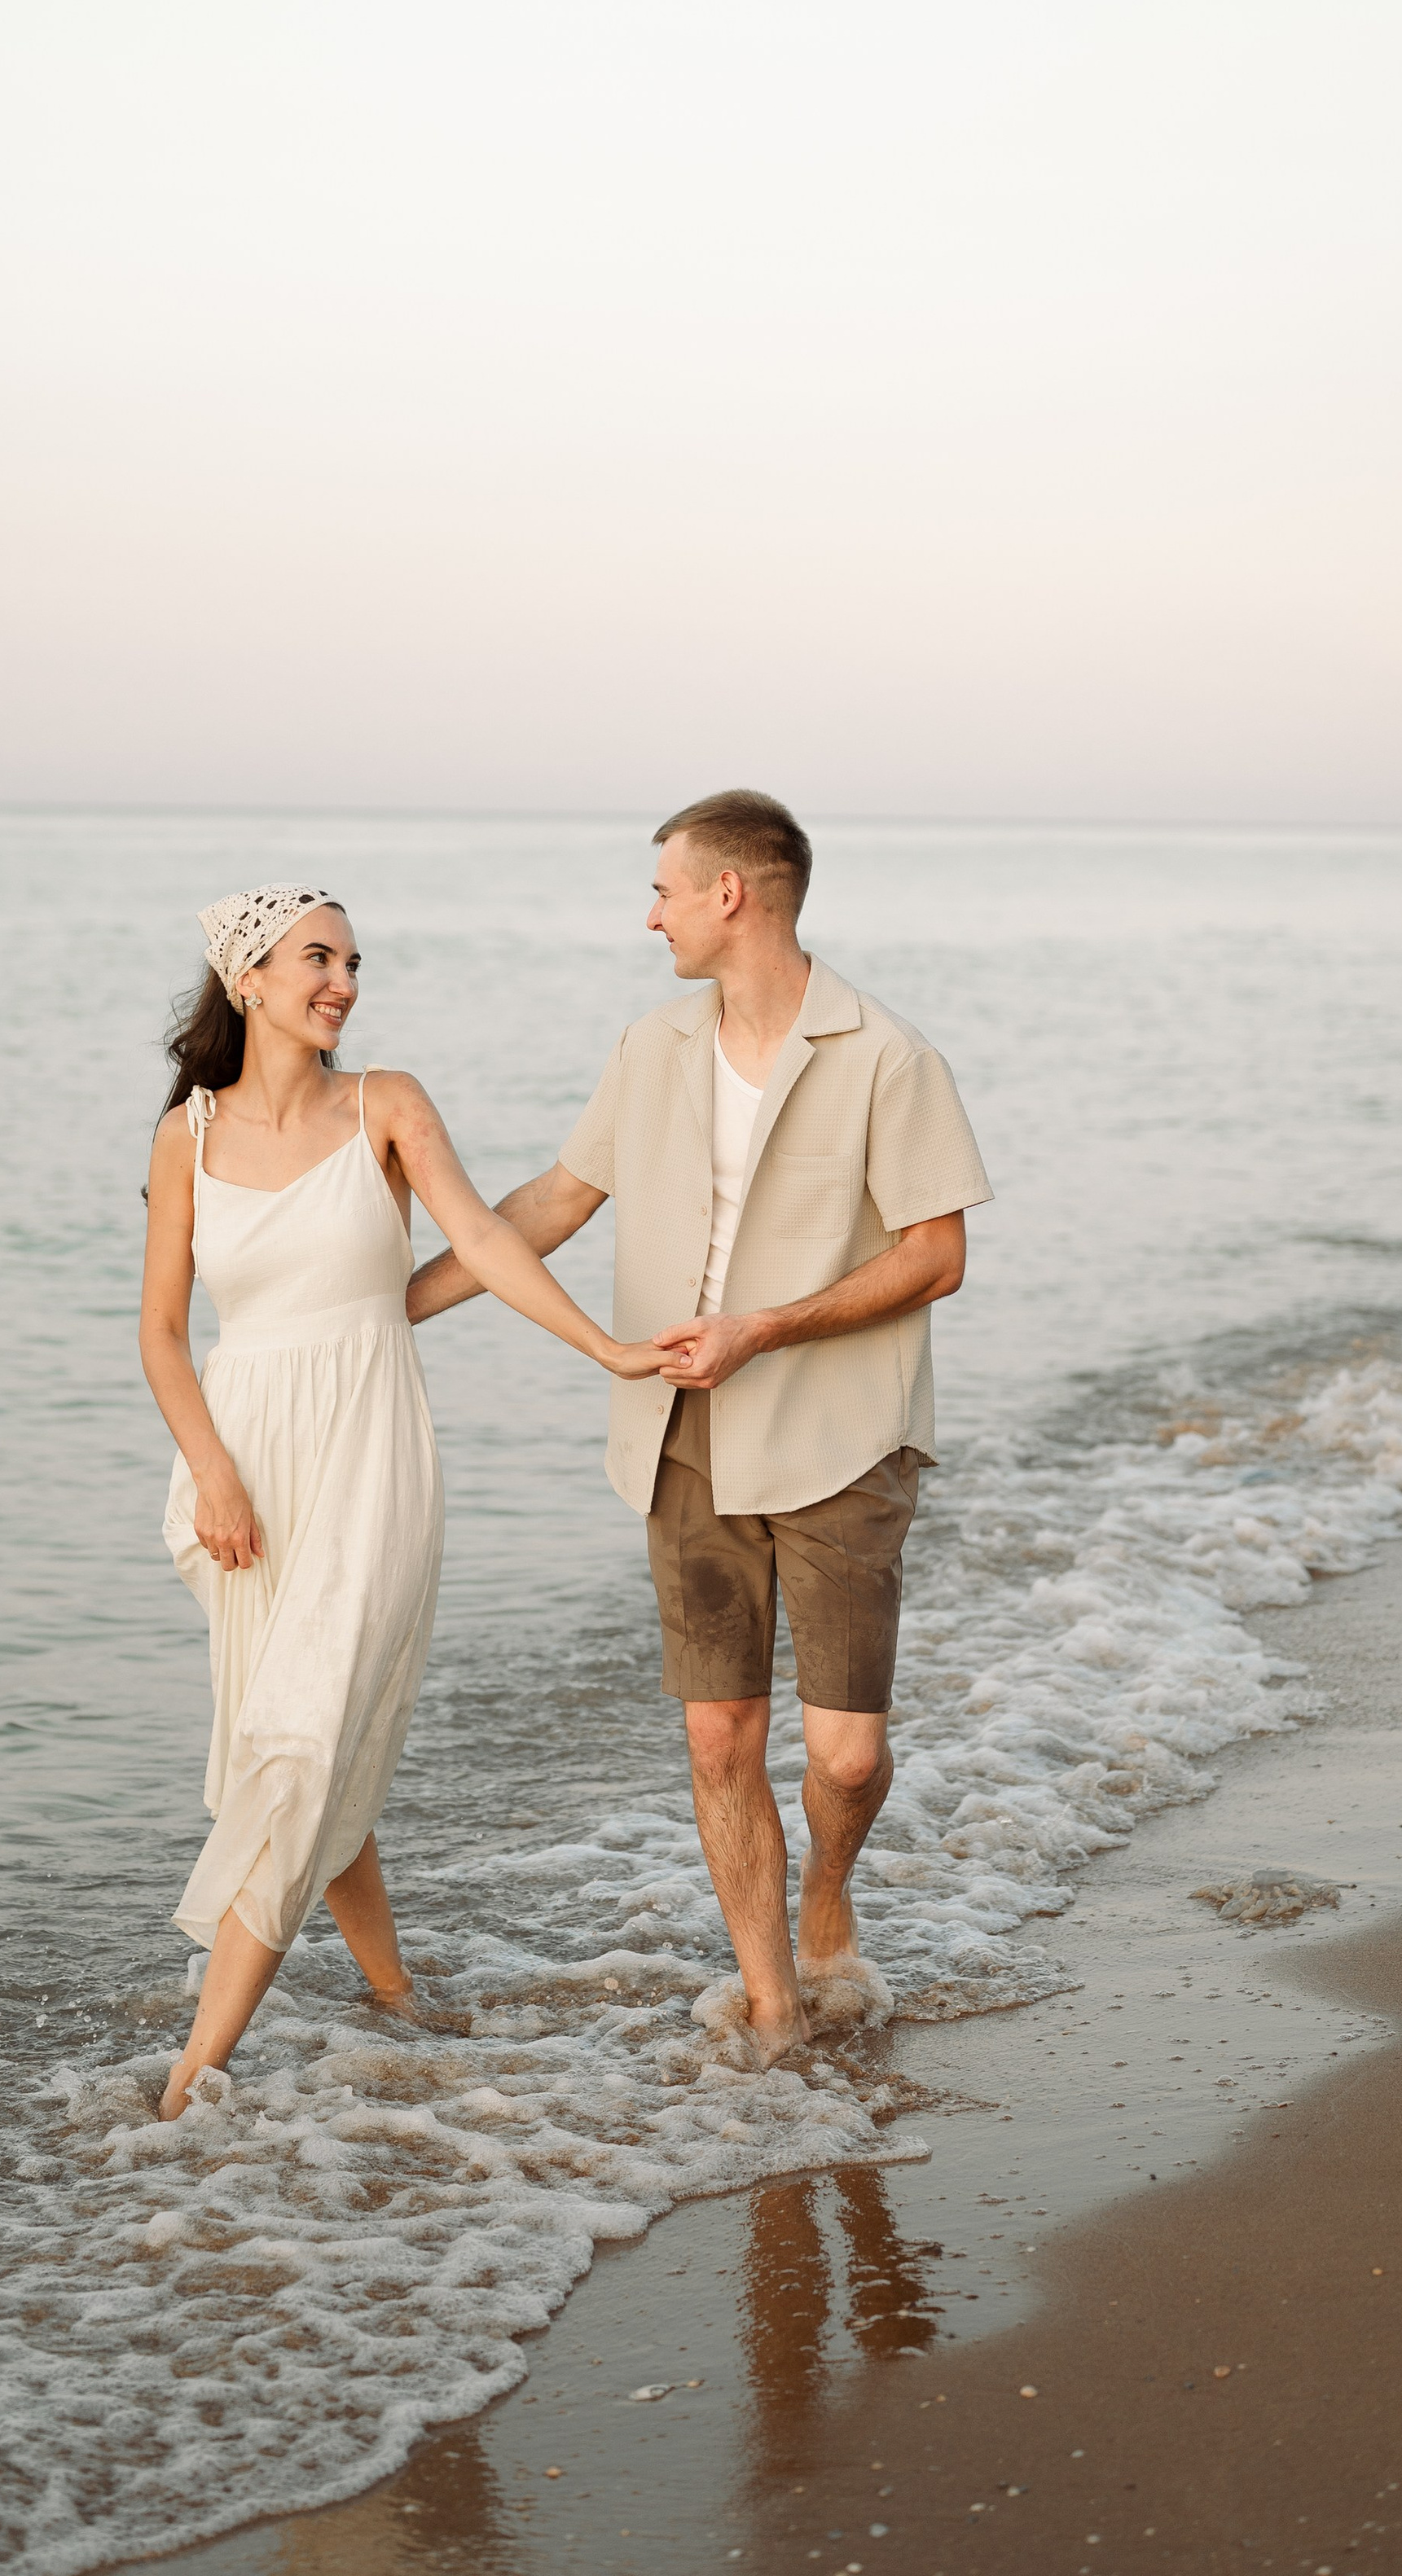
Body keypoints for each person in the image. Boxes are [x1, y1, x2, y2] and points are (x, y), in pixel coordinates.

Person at [407, 792, 991, 2060]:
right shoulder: (653, 1045)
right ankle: (775, 2005)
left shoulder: (889, 1055)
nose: (651, 910)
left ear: (731, 894)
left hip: (842, 1434)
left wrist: (764, 1327)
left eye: (664, 887)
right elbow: (556, 1201)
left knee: (841, 1758)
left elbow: (938, 1255)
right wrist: (397, 1305)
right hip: (683, 1432)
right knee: (721, 1730)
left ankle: (829, 1889)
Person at [139, 885, 660, 2116]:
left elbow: (481, 1240)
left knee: (305, 1738)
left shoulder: (388, 1103)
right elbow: (163, 1335)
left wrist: (606, 1350)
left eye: (355, 962)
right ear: (247, 978)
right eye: (318, 958)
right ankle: (390, 1990)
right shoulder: (188, 1139)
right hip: (244, 1465)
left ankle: (190, 2081)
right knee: (311, 1735)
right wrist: (212, 1470)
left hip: (372, 1452)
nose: (345, 982)